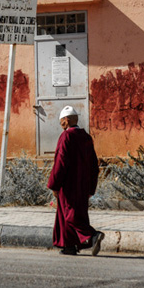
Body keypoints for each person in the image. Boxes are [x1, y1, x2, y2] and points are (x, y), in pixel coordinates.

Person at [47, 105, 105, 256]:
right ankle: (69, 246)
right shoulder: (86, 137)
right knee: (71, 214)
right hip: (84, 184)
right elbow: (94, 164)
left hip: (69, 184)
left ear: (66, 120)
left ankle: (92, 235)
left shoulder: (67, 136)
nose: (62, 126)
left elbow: (61, 162)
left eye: (62, 122)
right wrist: (91, 187)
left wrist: (55, 184)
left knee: (69, 214)